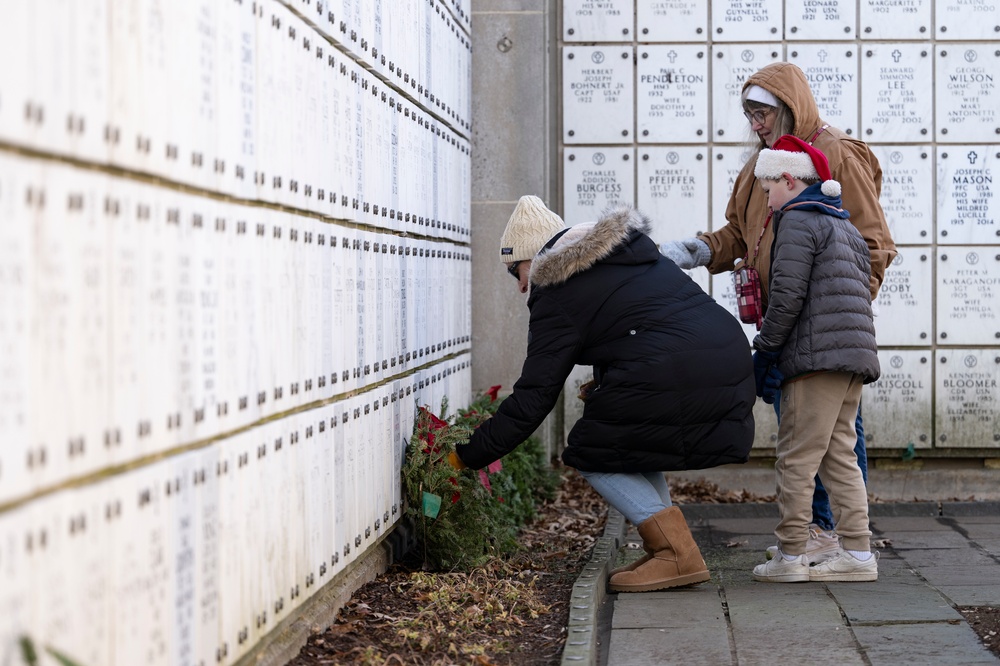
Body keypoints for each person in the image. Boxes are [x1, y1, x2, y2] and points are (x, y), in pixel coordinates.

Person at [449, 195, 756, 592]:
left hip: (683, 367)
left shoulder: (557, 288)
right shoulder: (622, 256)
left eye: (515, 271)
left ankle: (676, 554)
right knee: (627, 442)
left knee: (592, 453)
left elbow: (534, 397)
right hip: (726, 355)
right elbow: (640, 328)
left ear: (536, 257)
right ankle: (670, 547)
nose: (521, 284)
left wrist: (464, 456)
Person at [659, 62, 896, 562]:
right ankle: (828, 537)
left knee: (826, 444)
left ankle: (826, 536)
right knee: (808, 438)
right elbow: (741, 236)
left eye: (763, 112)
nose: (755, 124)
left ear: (790, 107)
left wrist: (838, 314)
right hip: (784, 326)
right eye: (748, 113)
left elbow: (873, 245)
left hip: (816, 332)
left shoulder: (835, 154)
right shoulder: (763, 163)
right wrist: (697, 250)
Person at [747, 135, 880, 582]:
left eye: (768, 190)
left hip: (814, 359)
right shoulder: (841, 222)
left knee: (796, 459)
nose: (768, 201)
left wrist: (764, 351)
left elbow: (786, 298)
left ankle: (789, 558)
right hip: (850, 358)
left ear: (789, 178)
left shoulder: (798, 220)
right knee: (839, 455)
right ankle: (858, 556)